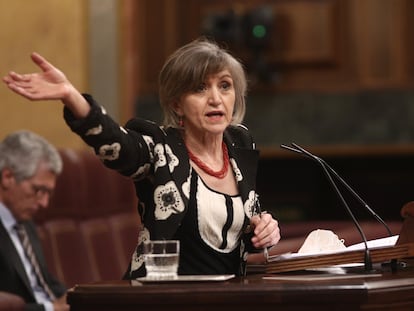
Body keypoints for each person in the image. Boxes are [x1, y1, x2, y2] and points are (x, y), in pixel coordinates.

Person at [3, 38, 281, 278]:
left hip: (232, 297)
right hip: (161, 298)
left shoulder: (240, 144)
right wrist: (70, 96)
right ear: (176, 104)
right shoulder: (159, 147)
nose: (216, 99)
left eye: (224, 86)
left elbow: (239, 232)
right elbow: (117, 145)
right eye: (199, 89)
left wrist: (262, 231)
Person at [0, 130, 70, 311]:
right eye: (38, 190)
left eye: (49, 193)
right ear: (8, 177)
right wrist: (51, 309)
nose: (44, 203)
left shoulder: (24, 222)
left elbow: (43, 281)